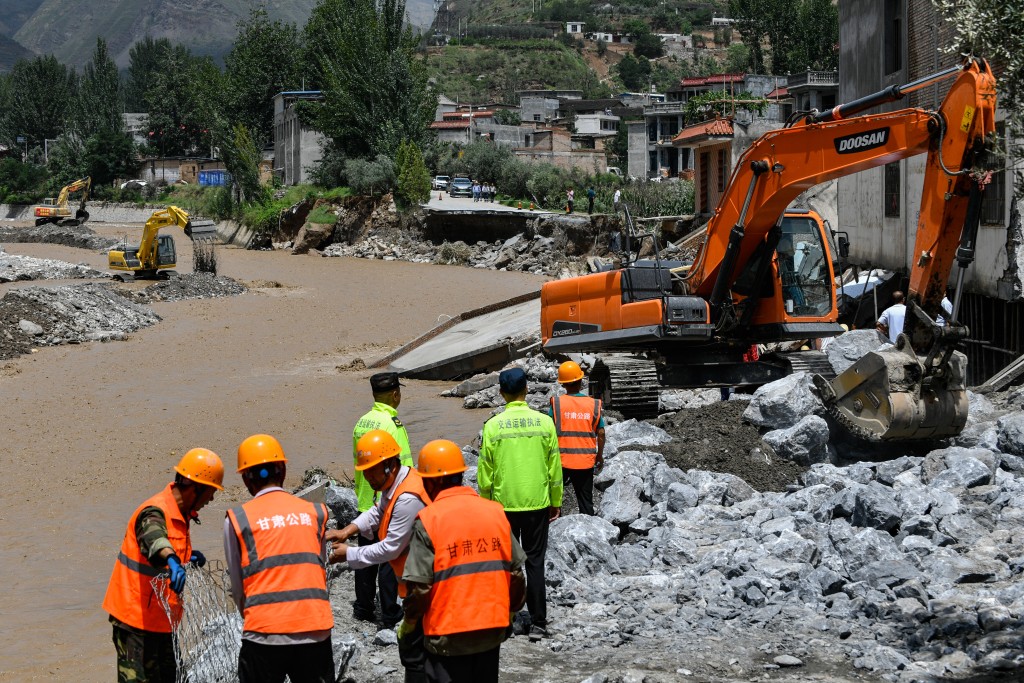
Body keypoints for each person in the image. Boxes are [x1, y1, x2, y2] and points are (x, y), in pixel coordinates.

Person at [402, 440, 527, 683]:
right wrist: (512, 611)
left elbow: (420, 587)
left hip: (448, 636)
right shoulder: (495, 511)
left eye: (425, 480)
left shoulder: (429, 519)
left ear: (434, 481)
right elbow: (516, 574)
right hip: (491, 632)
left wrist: (409, 623)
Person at [103, 448, 224, 683]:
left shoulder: (182, 514)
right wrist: (170, 558)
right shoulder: (154, 511)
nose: (211, 499)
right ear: (195, 487)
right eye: (210, 491)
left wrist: (187, 559)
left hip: (163, 622)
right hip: (135, 624)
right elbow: (154, 539)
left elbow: (171, 552)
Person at [225, 435, 334, 683]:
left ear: (245, 479)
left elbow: (238, 588)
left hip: (264, 634)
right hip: (314, 629)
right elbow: (320, 567)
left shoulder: (238, 519)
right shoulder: (316, 512)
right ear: (283, 470)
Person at [328, 430, 431, 683]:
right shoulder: (394, 483)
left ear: (389, 464)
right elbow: (378, 511)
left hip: (426, 586)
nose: (368, 477)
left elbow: (390, 548)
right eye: (365, 471)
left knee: (419, 657)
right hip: (415, 581)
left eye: (372, 470)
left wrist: (349, 554)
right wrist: (347, 530)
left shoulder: (407, 498)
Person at [478, 367, 562, 641]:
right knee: (535, 563)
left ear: (502, 394)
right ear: (526, 390)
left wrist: (486, 505)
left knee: (506, 565)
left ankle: (507, 620)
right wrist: (555, 500)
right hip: (537, 503)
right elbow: (554, 468)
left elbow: (485, 475)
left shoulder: (492, 427)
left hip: (503, 507)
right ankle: (538, 622)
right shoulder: (544, 423)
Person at [352, 372, 414, 627]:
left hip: (365, 499)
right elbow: (404, 467)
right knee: (389, 558)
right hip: (387, 502)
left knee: (365, 555)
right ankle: (390, 612)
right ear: (396, 394)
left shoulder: (361, 422)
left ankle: (363, 607)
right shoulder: (392, 425)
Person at [548, 361, 604, 516]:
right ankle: (588, 528)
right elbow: (601, 433)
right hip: (585, 461)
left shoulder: (557, 404)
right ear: (581, 381)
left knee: (554, 496)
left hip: (561, 461)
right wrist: (599, 455)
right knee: (585, 501)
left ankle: (554, 522)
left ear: (563, 384)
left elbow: (549, 431)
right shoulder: (592, 404)